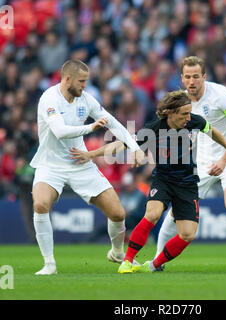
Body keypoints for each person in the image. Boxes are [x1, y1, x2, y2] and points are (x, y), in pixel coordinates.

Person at [71, 90, 226, 273]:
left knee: (187, 234)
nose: (188, 117)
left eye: (189, 112)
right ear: (170, 112)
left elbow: (211, 130)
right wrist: (91, 154)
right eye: (184, 113)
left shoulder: (195, 121)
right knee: (152, 214)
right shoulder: (153, 129)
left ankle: (152, 266)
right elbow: (121, 143)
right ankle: (127, 261)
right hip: (163, 180)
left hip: (187, 183)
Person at [30, 59, 144, 275]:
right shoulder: (49, 99)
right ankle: (49, 264)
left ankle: (118, 253)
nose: (85, 85)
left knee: (118, 213)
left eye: (86, 81)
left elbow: (113, 123)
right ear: (67, 79)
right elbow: (60, 131)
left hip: (80, 162)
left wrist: (134, 147)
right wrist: (90, 127)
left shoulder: (86, 99)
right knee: (40, 204)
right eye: (81, 81)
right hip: (50, 165)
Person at [155, 56, 226, 271]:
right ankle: (157, 261)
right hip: (201, 161)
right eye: (187, 77)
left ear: (204, 77)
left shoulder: (221, 95)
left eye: (196, 76)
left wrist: (223, 160)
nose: (192, 81)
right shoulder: (179, 102)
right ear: (182, 78)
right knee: (176, 211)